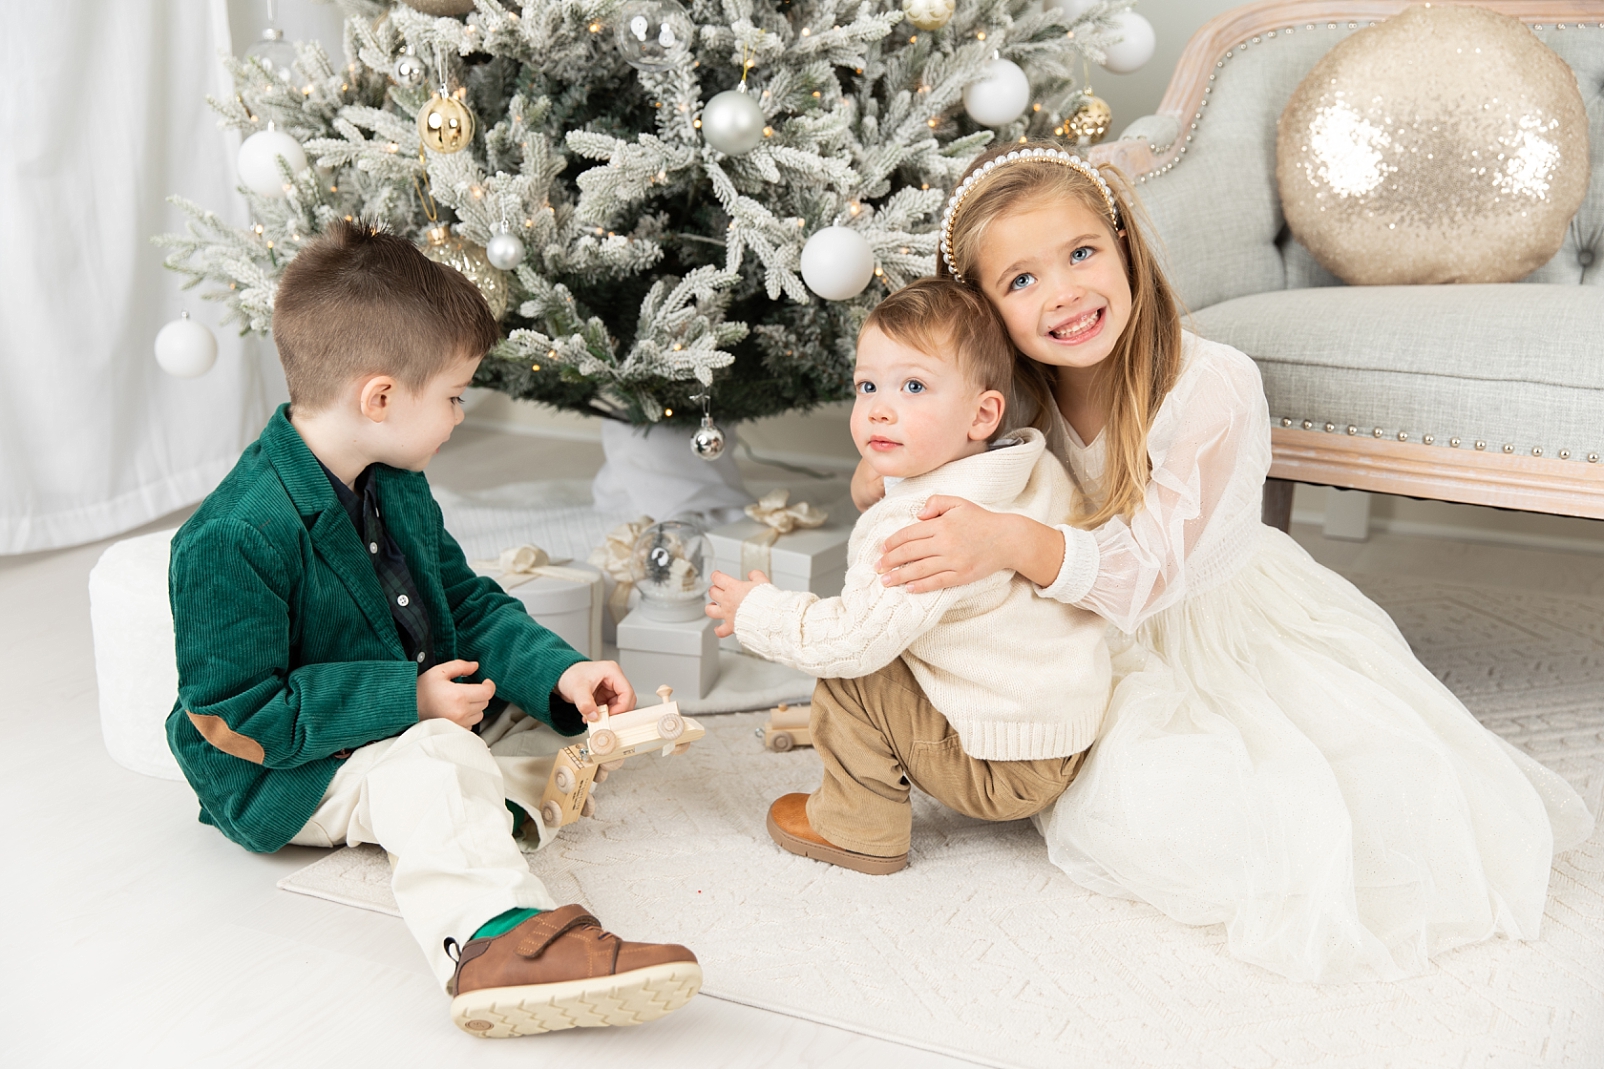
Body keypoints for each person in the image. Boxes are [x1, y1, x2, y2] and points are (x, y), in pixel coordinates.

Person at [855, 142, 1595, 983]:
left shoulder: (1212, 387)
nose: (1062, 292)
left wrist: (1007, 540)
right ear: (986, 313)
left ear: (1125, 244)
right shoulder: (1015, 395)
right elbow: (905, 472)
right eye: (1020, 281)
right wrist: (898, 453)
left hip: (1199, 621)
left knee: (1202, 806)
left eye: (1082, 253)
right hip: (1064, 613)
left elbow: (1142, 578)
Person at [165, 220, 700, 1037]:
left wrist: (558, 672)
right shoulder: (234, 534)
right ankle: (494, 945)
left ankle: (484, 813)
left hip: (379, 715)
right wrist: (407, 697)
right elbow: (231, 714)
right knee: (439, 754)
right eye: (453, 395)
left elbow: (467, 601)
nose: (457, 416)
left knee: (510, 739)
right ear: (380, 397)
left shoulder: (397, 481)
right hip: (282, 767)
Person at [705, 278, 1110, 874]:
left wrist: (756, 611)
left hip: (1003, 768)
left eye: (913, 386)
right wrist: (881, 478)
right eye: (867, 386)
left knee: (853, 676)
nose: (880, 408)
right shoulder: (1025, 465)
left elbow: (849, 640)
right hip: (1061, 735)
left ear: (981, 413)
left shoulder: (923, 525)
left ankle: (855, 826)